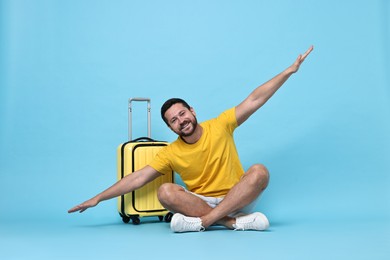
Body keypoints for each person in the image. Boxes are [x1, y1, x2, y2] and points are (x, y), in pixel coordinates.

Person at [68, 46, 314, 233]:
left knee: (260, 171)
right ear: (171, 127)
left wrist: (288, 71)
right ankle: (231, 223)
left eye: (182, 113)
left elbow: (254, 100)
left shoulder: (221, 124)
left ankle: (206, 222)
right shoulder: (171, 152)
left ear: (193, 111)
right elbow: (136, 178)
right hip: (201, 201)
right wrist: (98, 198)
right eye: (173, 120)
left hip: (236, 197)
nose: (181, 120)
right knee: (165, 191)